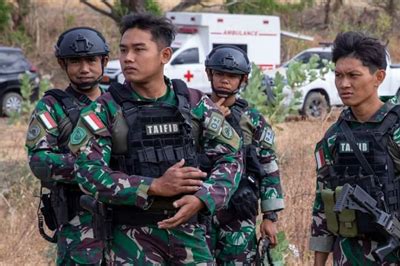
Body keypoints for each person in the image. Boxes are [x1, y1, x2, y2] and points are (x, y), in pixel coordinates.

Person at [68, 13, 243, 265]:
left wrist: (203, 198)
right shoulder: (104, 109)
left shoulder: (194, 103)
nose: (128, 58)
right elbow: (87, 171)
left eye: (139, 49)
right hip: (131, 238)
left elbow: (232, 156)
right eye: (124, 50)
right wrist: (152, 186)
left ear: (165, 56)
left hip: (189, 234)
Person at [309, 31, 400, 266]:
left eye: (353, 75)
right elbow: (323, 203)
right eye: (339, 75)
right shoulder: (333, 136)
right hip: (347, 255)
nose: (344, 84)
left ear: (379, 77)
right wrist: (318, 261)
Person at [25, 27, 109, 265]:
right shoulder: (53, 106)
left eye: (91, 60)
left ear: (104, 61)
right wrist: (94, 168)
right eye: (75, 61)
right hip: (78, 223)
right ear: (63, 65)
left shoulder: (118, 103)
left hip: (125, 223)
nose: (84, 68)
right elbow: (39, 162)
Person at [204, 45, 285, 264]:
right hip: (199, 213)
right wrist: (208, 122)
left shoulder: (252, 120)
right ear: (209, 74)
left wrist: (270, 217)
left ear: (244, 80)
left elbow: (269, 168)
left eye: (232, 76)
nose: (224, 80)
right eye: (219, 74)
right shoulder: (194, 112)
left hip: (239, 215)